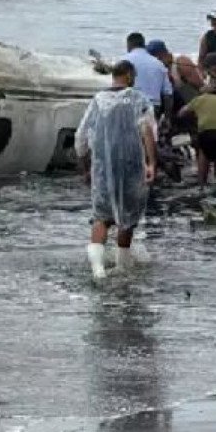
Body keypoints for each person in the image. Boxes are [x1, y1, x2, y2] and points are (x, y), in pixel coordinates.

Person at [75, 60, 158, 280]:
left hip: (103, 165)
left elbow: (81, 137)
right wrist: (151, 163)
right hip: (131, 165)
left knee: (101, 217)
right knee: (127, 218)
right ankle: (122, 267)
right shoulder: (139, 99)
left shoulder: (98, 100)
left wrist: (84, 165)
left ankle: (98, 270)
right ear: (130, 76)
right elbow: (148, 131)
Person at [121, 32, 174, 118]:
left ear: (128, 45)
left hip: (130, 106)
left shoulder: (123, 61)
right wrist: (167, 118)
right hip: (152, 108)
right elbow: (168, 94)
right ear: (143, 44)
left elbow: (117, 88)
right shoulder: (158, 63)